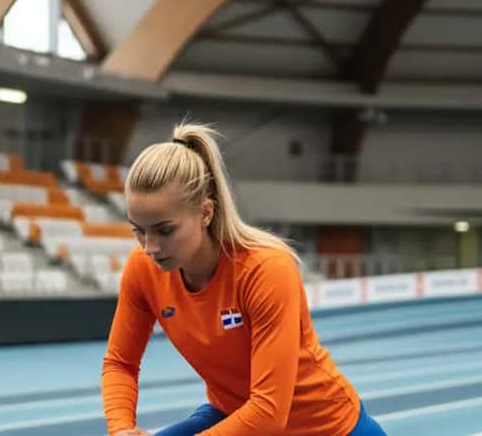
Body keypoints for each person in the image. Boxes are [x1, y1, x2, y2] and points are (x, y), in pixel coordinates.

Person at [101, 122, 386, 436]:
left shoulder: (266, 270)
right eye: (138, 231)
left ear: (206, 213)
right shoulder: (142, 269)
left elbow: (268, 413)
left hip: (326, 429)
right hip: (235, 415)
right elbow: (120, 363)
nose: (150, 247)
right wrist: (121, 429)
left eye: (164, 230)